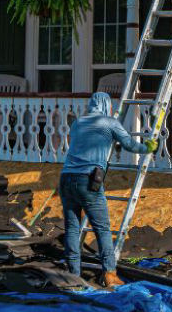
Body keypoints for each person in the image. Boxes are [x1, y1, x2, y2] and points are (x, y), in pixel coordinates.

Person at [60, 92, 158, 288]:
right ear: (106, 105)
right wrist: (148, 147)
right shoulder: (109, 122)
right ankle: (110, 274)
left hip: (66, 178)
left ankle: (73, 275)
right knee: (102, 228)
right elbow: (129, 145)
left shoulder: (79, 123)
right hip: (88, 179)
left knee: (72, 227)